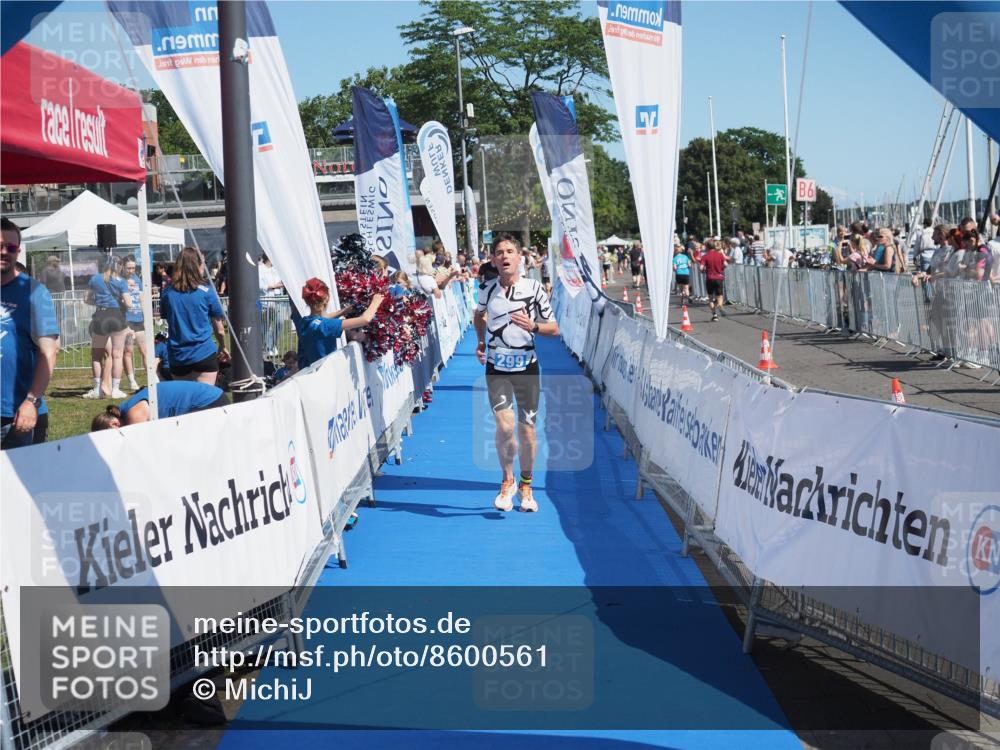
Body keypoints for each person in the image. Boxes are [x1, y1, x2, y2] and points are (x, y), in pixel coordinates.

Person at [474, 234, 559, 514]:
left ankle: (526, 484)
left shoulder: (534, 289)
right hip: (497, 366)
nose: (504, 256)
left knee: (526, 430)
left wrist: (533, 326)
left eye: (510, 251)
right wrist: (480, 341)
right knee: (505, 425)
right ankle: (507, 481)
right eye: (499, 252)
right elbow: (479, 315)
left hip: (527, 368)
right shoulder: (486, 289)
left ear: (519, 257)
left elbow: (554, 329)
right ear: (493, 259)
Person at [1, 218, 60, 449]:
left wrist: (31, 401)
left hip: (15, 415)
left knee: (17, 485)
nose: (4, 252)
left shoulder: (35, 292)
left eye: (11, 247)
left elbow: (49, 352)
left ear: (19, 251)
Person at [159, 246, 229, 385]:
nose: (204, 266)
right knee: (205, 401)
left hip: (178, 357)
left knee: (184, 402)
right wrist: (223, 346)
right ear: (197, 266)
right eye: (203, 263)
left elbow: (166, 317)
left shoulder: (167, 294)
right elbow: (220, 329)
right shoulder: (207, 292)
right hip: (203, 354)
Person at [297, 277, 383, 369]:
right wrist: (376, 302)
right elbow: (364, 319)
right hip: (326, 375)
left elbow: (322, 319)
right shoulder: (326, 325)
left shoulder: (304, 322)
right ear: (326, 299)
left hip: (308, 375)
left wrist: (343, 311)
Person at [83, 255, 131, 399]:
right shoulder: (122, 281)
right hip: (117, 317)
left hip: (100, 316)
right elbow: (128, 303)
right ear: (118, 266)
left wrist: (98, 303)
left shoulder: (95, 279)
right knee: (117, 355)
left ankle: (98, 389)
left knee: (96, 356)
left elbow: (86, 299)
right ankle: (115, 389)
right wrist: (123, 302)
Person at [91, 380, 228, 429]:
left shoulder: (134, 415)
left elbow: (144, 448)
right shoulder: (127, 407)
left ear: (114, 424)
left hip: (210, 401)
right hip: (210, 397)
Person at [121, 258, 148, 392]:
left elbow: (142, 297)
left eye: (133, 268)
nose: (131, 270)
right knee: (128, 351)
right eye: (129, 268)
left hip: (139, 319)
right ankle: (132, 381)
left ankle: (152, 378)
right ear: (123, 267)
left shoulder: (137, 279)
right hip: (126, 319)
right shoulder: (120, 281)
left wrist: (146, 316)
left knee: (144, 350)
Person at [700, 239, 730, 321]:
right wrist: (721, 268)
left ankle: (715, 315)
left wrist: (703, 271)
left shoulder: (705, 256)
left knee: (710, 298)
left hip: (709, 278)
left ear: (707, 247)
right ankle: (720, 305)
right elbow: (726, 264)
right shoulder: (720, 255)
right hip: (719, 277)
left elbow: (701, 268)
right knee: (719, 295)